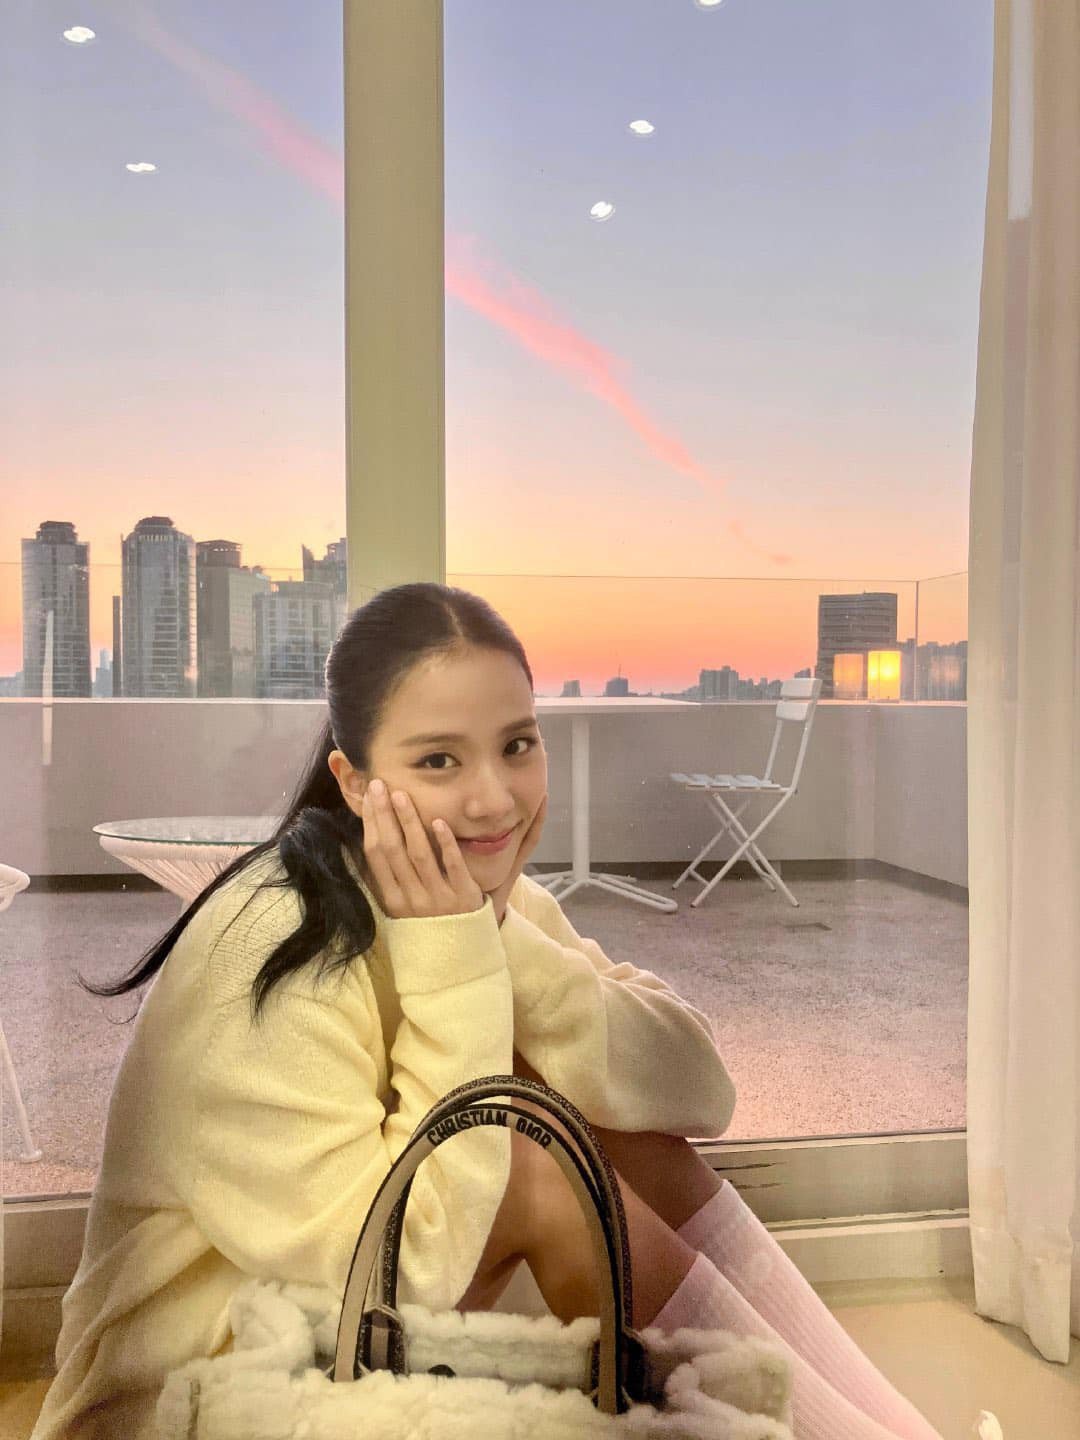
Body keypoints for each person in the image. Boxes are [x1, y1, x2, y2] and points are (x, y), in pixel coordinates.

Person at [31, 583, 943, 1440]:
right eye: (438, 760)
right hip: (197, 1390)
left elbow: (697, 1091)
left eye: (517, 745)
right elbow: (401, 1268)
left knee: (598, 1120)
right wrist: (457, 957)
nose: (495, 798)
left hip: (344, 1336)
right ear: (354, 782)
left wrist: (494, 933)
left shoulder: (470, 892)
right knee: (539, 1176)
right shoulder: (274, 945)